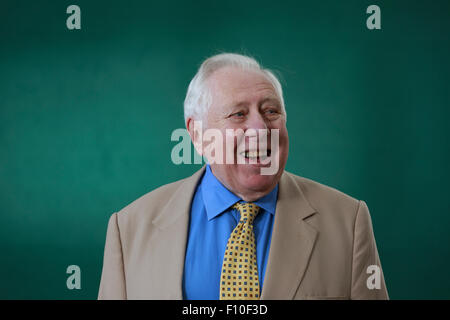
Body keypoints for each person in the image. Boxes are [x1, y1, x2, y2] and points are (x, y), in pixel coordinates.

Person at [98, 53, 388, 300]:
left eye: (271, 111)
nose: (261, 129)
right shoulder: (129, 229)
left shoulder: (349, 222)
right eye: (238, 114)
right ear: (198, 135)